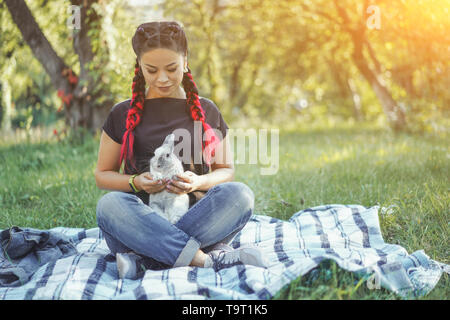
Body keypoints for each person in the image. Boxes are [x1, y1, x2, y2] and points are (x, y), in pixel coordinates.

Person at [94, 21, 267, 279]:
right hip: (141, 223)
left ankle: (144, 260)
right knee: (109, 205)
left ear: (185, 61)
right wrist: (136, 182)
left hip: (197, 219)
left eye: (171, 68)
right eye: (151, 70)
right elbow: (103, 175)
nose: (162, 78)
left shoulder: (207, 110)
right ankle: (205, 260)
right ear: (139, 67)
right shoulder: (121, 113)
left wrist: (198, 181)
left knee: (240, 194)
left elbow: (226, 170)